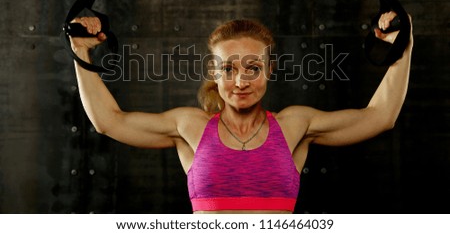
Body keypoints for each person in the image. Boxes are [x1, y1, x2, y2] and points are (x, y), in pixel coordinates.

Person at [70, 11, 413, 214]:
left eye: (253, 68)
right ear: (214, 73)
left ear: (269, 70)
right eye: (229, 69)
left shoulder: (296, 125)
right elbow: (108, 121)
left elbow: (381, 115)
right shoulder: (189, 126)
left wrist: (403, 44)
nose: (240, 81)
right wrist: (81, 51)